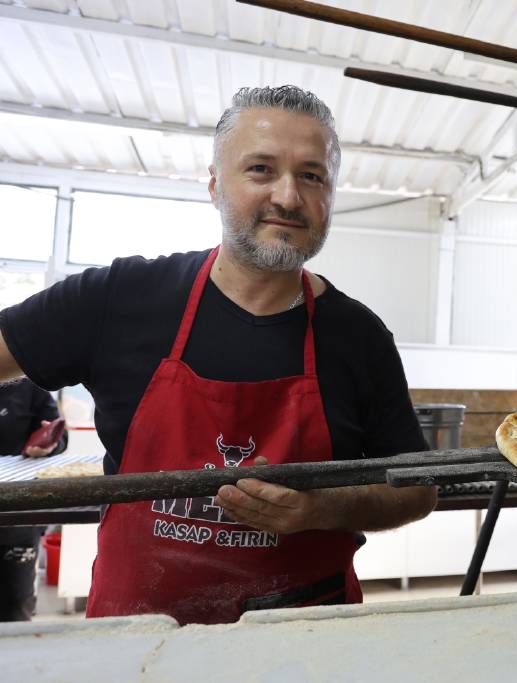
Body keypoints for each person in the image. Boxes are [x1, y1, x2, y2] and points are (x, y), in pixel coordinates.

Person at [0, 85, 437, 625]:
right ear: (214, 185)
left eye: (311, 175)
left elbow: (415, 488)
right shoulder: (120, 297)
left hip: (301, 635)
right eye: (260, 169)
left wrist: (324, 506)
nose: (288, 197)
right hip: (140, 634)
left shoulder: (359, 336)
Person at [0, 379, 68, 621]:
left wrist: (49, 445)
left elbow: (60, 436)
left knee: (16, 607)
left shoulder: (26, 383)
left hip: (17, 516)